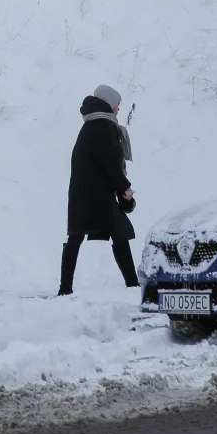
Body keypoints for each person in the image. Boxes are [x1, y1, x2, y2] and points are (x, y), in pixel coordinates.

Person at [59, 83, 138, 296]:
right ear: (109, 104)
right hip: (98, 196)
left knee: (76, 236)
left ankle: (64, 289)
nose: (119, 108)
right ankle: (133, 286)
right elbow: (110, 162)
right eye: (117, 104)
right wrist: (124, 187)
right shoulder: (104, 125)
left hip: (82, 193)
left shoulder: (90, 125)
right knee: (119, 234)